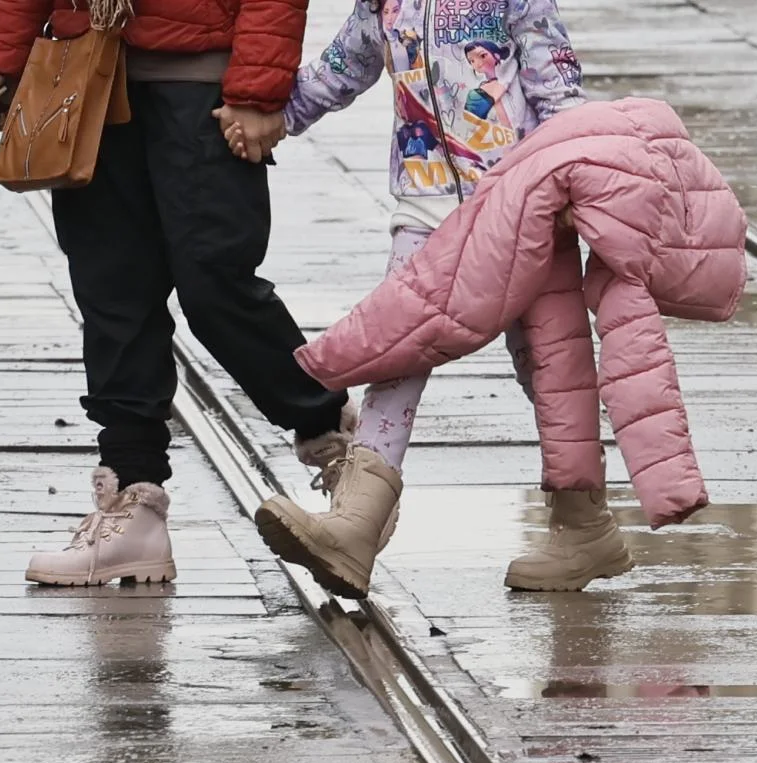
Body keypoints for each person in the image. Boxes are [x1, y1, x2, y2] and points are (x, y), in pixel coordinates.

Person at [0, 0, 354, 587]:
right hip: (88, 74)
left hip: (201, 84)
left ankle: (328, 431)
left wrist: (255, 90)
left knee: (214, 284)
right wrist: (4, 58)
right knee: (112, 295)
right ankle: (132, 499)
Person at [225, 0, 603, 597]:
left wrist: (574, 183)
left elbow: (557, 87)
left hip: (522, 206)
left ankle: (584, 526)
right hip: (424, 208)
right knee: (397, 354)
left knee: (552, 366)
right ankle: (356, 525)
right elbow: (340, 68)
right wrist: (272, 117)